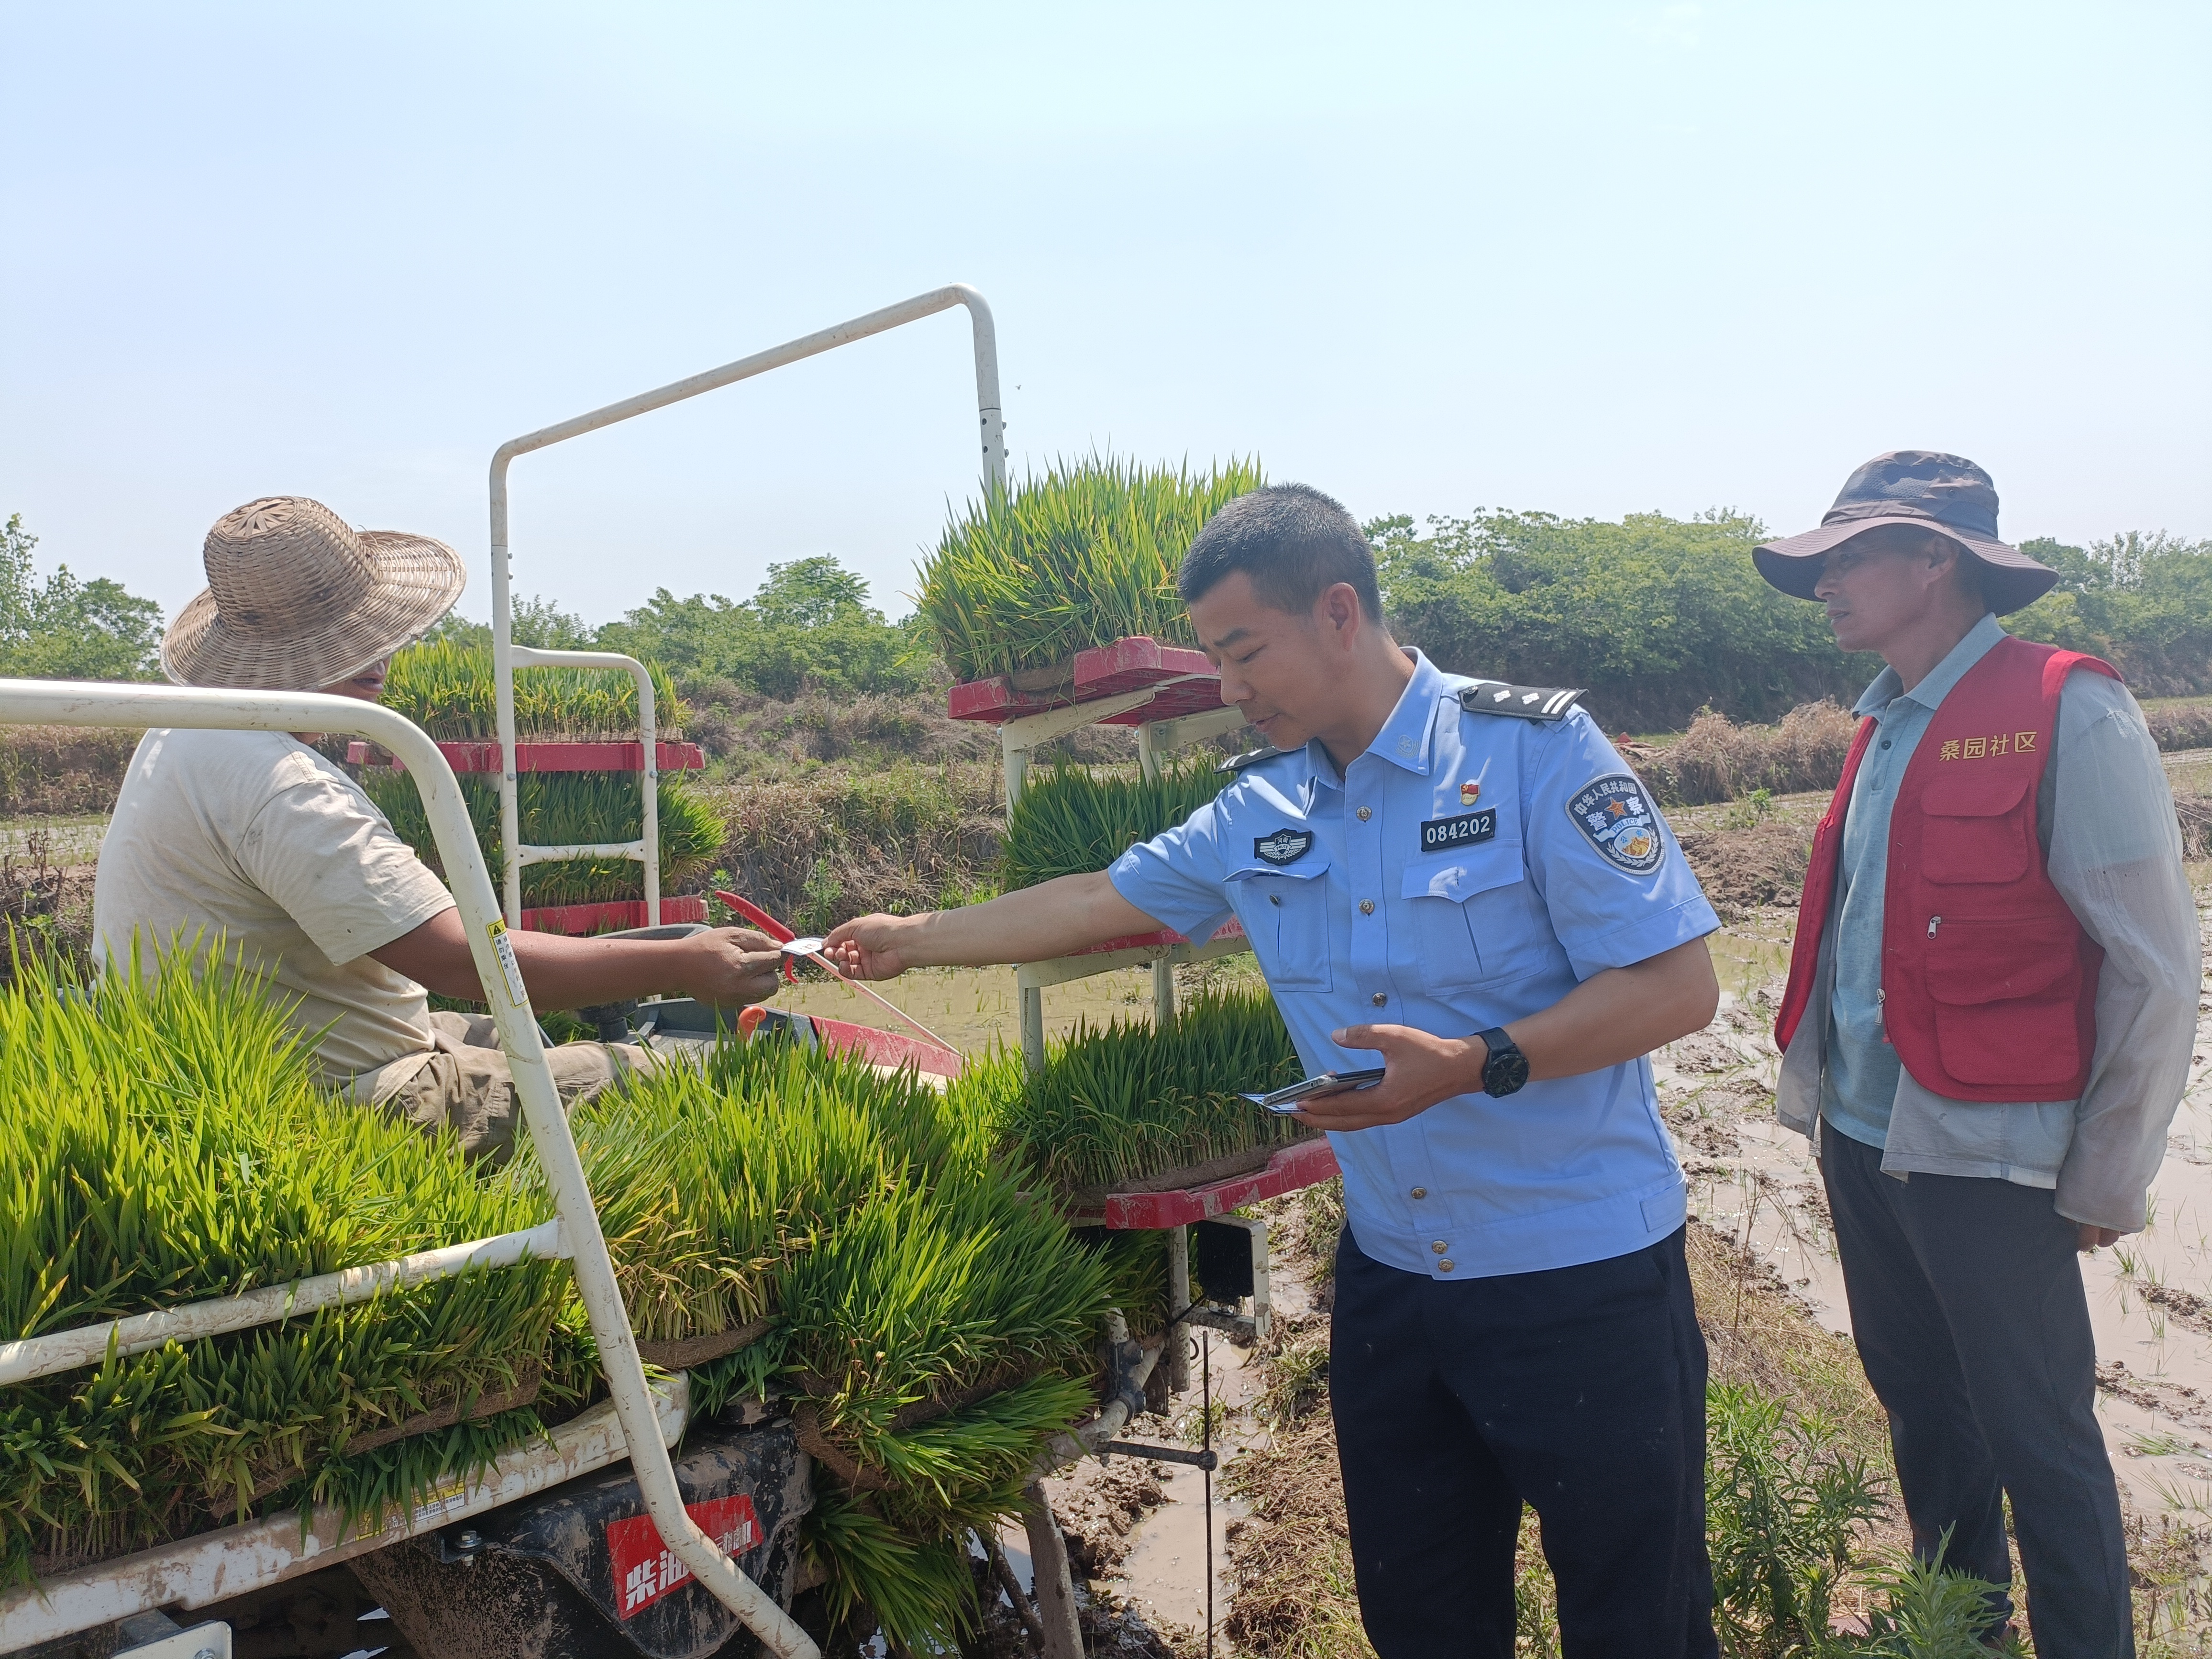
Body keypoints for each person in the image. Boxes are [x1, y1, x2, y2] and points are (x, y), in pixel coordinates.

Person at [828, 484, 1726, 1658]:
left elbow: (1677, 987)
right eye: (1211, 658)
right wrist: (913, 936)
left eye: (1244, 653)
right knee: (1423, 1617)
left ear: (1339, 612)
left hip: (1577, 1276)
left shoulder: (1529, 754)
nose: (1230, 689)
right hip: (1395, 1283)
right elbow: (1098, 896)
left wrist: (1472, 1064)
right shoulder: (1262, 807)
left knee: (1636, 1620)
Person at [1759, 451, 2200, 1656]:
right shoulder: (1877, 725)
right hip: (1862, 1134)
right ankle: (1960, 1625)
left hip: (1985, 1150)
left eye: (1849, 556)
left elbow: (2155, 968)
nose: (1825, 584)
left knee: (2033, 1430)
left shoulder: (2066, 704)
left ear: (1934, 560)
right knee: (1921, 1409)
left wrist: (2106, 1173)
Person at [92, 495, 785, 1164]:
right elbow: (466, 964)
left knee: (512, 1039)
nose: (381, 657)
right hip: (339, 1095)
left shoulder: (183, 734)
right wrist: (681, 962)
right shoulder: (287, 786)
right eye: (352, 641)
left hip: (265, 1054)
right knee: (668, 1072)